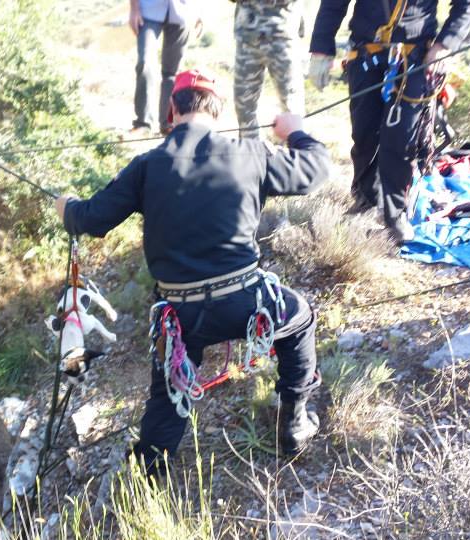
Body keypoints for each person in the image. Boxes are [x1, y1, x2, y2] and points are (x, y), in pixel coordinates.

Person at [54, 69, 331, 470]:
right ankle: (294, 423)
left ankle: (148, 471)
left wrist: (67, 207)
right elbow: (316, 169)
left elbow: (90, 219)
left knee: (168, 390)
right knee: (299, 319)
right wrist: (295, 132)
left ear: (172, 110)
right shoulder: (250, 153)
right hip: (246, 302)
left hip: (180, 315)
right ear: (218, 111)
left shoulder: (146, 166)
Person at [307, 0, 470, 243]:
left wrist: (444, 45)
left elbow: (465, 4)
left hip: (415, 57)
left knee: (400, 138)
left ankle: (394, 213)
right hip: (365, 53)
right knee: (364, 134)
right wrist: (321, 49)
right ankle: (365, 200)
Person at [232, 0, 306, 139]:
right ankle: (251, 154)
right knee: (244, 106)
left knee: (292, 105)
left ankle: (299, 155)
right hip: (248, 37)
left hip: (281, 35)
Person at [129, 0, 202, 135]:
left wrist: (198, 14)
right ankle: (143, 123)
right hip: (148, 10)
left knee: (172, 73)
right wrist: (134, 9)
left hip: (183, 12)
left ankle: (168, 124)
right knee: (145, 63)